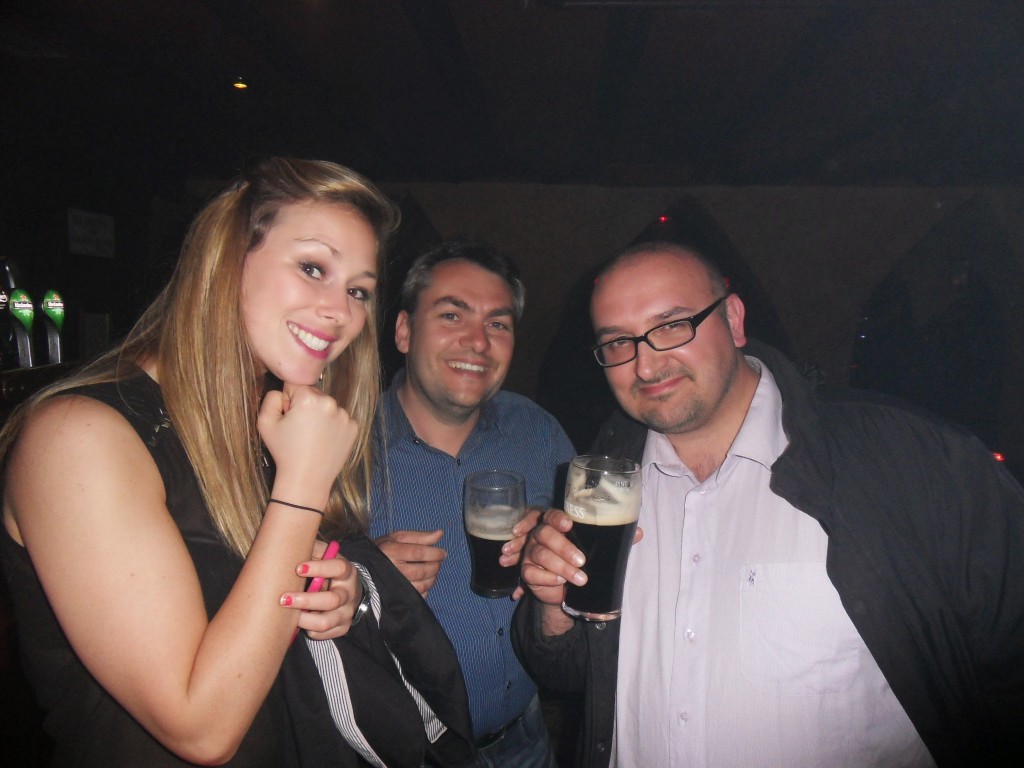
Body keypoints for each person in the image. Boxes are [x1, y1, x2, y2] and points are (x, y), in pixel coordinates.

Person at [0, 157, 473, 767]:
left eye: (358, 290)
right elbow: (200, 728)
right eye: (313, 268)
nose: (342, 312)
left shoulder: (266, 425)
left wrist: (336, 594)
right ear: (225, 261)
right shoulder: (76, 437)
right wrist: (303, 486)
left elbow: (252, 605)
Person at [513, 241, 1024, 767]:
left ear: (733, 320)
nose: (645, 365)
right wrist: (552, 607)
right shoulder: (606, 475)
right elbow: (575, 674)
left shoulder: (906, 461)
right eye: (619, 341)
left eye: (672, 325)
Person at [370, 238, 576, 767]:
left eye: (498, 323)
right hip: (402, 754)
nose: (478, 341)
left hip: (526, 742)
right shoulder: (338, 448)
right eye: (451, 314)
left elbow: (585, 578)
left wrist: (558, 550)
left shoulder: (539, 432)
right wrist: (359, 574)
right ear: (403, 330)